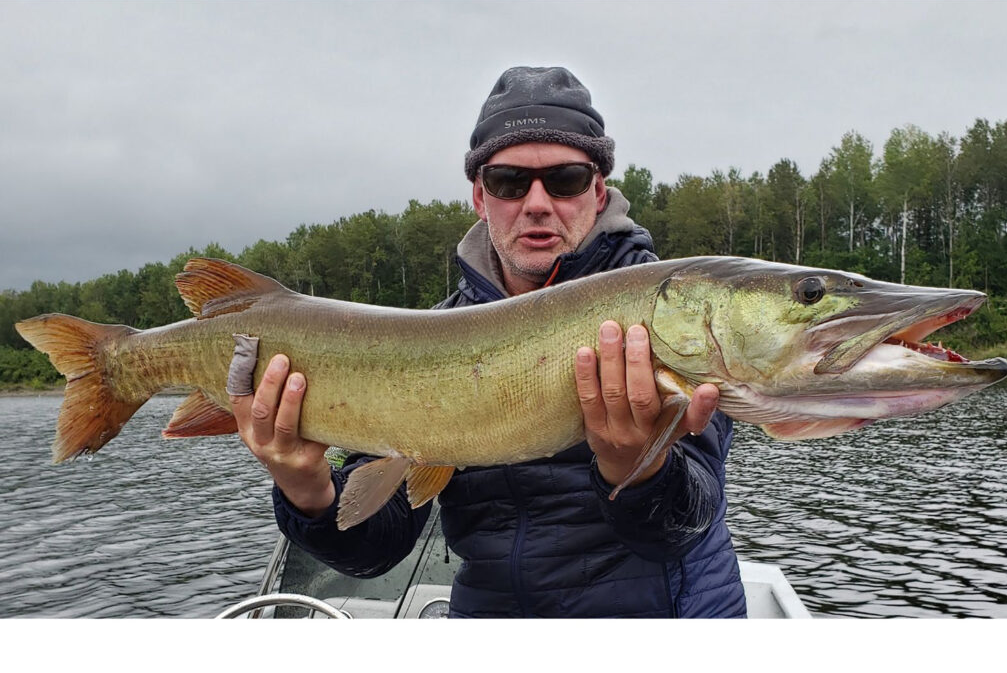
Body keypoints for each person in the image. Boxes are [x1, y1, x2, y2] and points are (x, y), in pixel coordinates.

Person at [229, 66, 747, 618]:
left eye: (566, 179)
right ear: (481, 197)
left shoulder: (670, 311)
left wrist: (639, 471)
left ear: (598, 192)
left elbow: (685, 524)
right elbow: (375, 549)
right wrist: (305, 489)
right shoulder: (431, 335)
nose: (538, 202)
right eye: (509, 182)